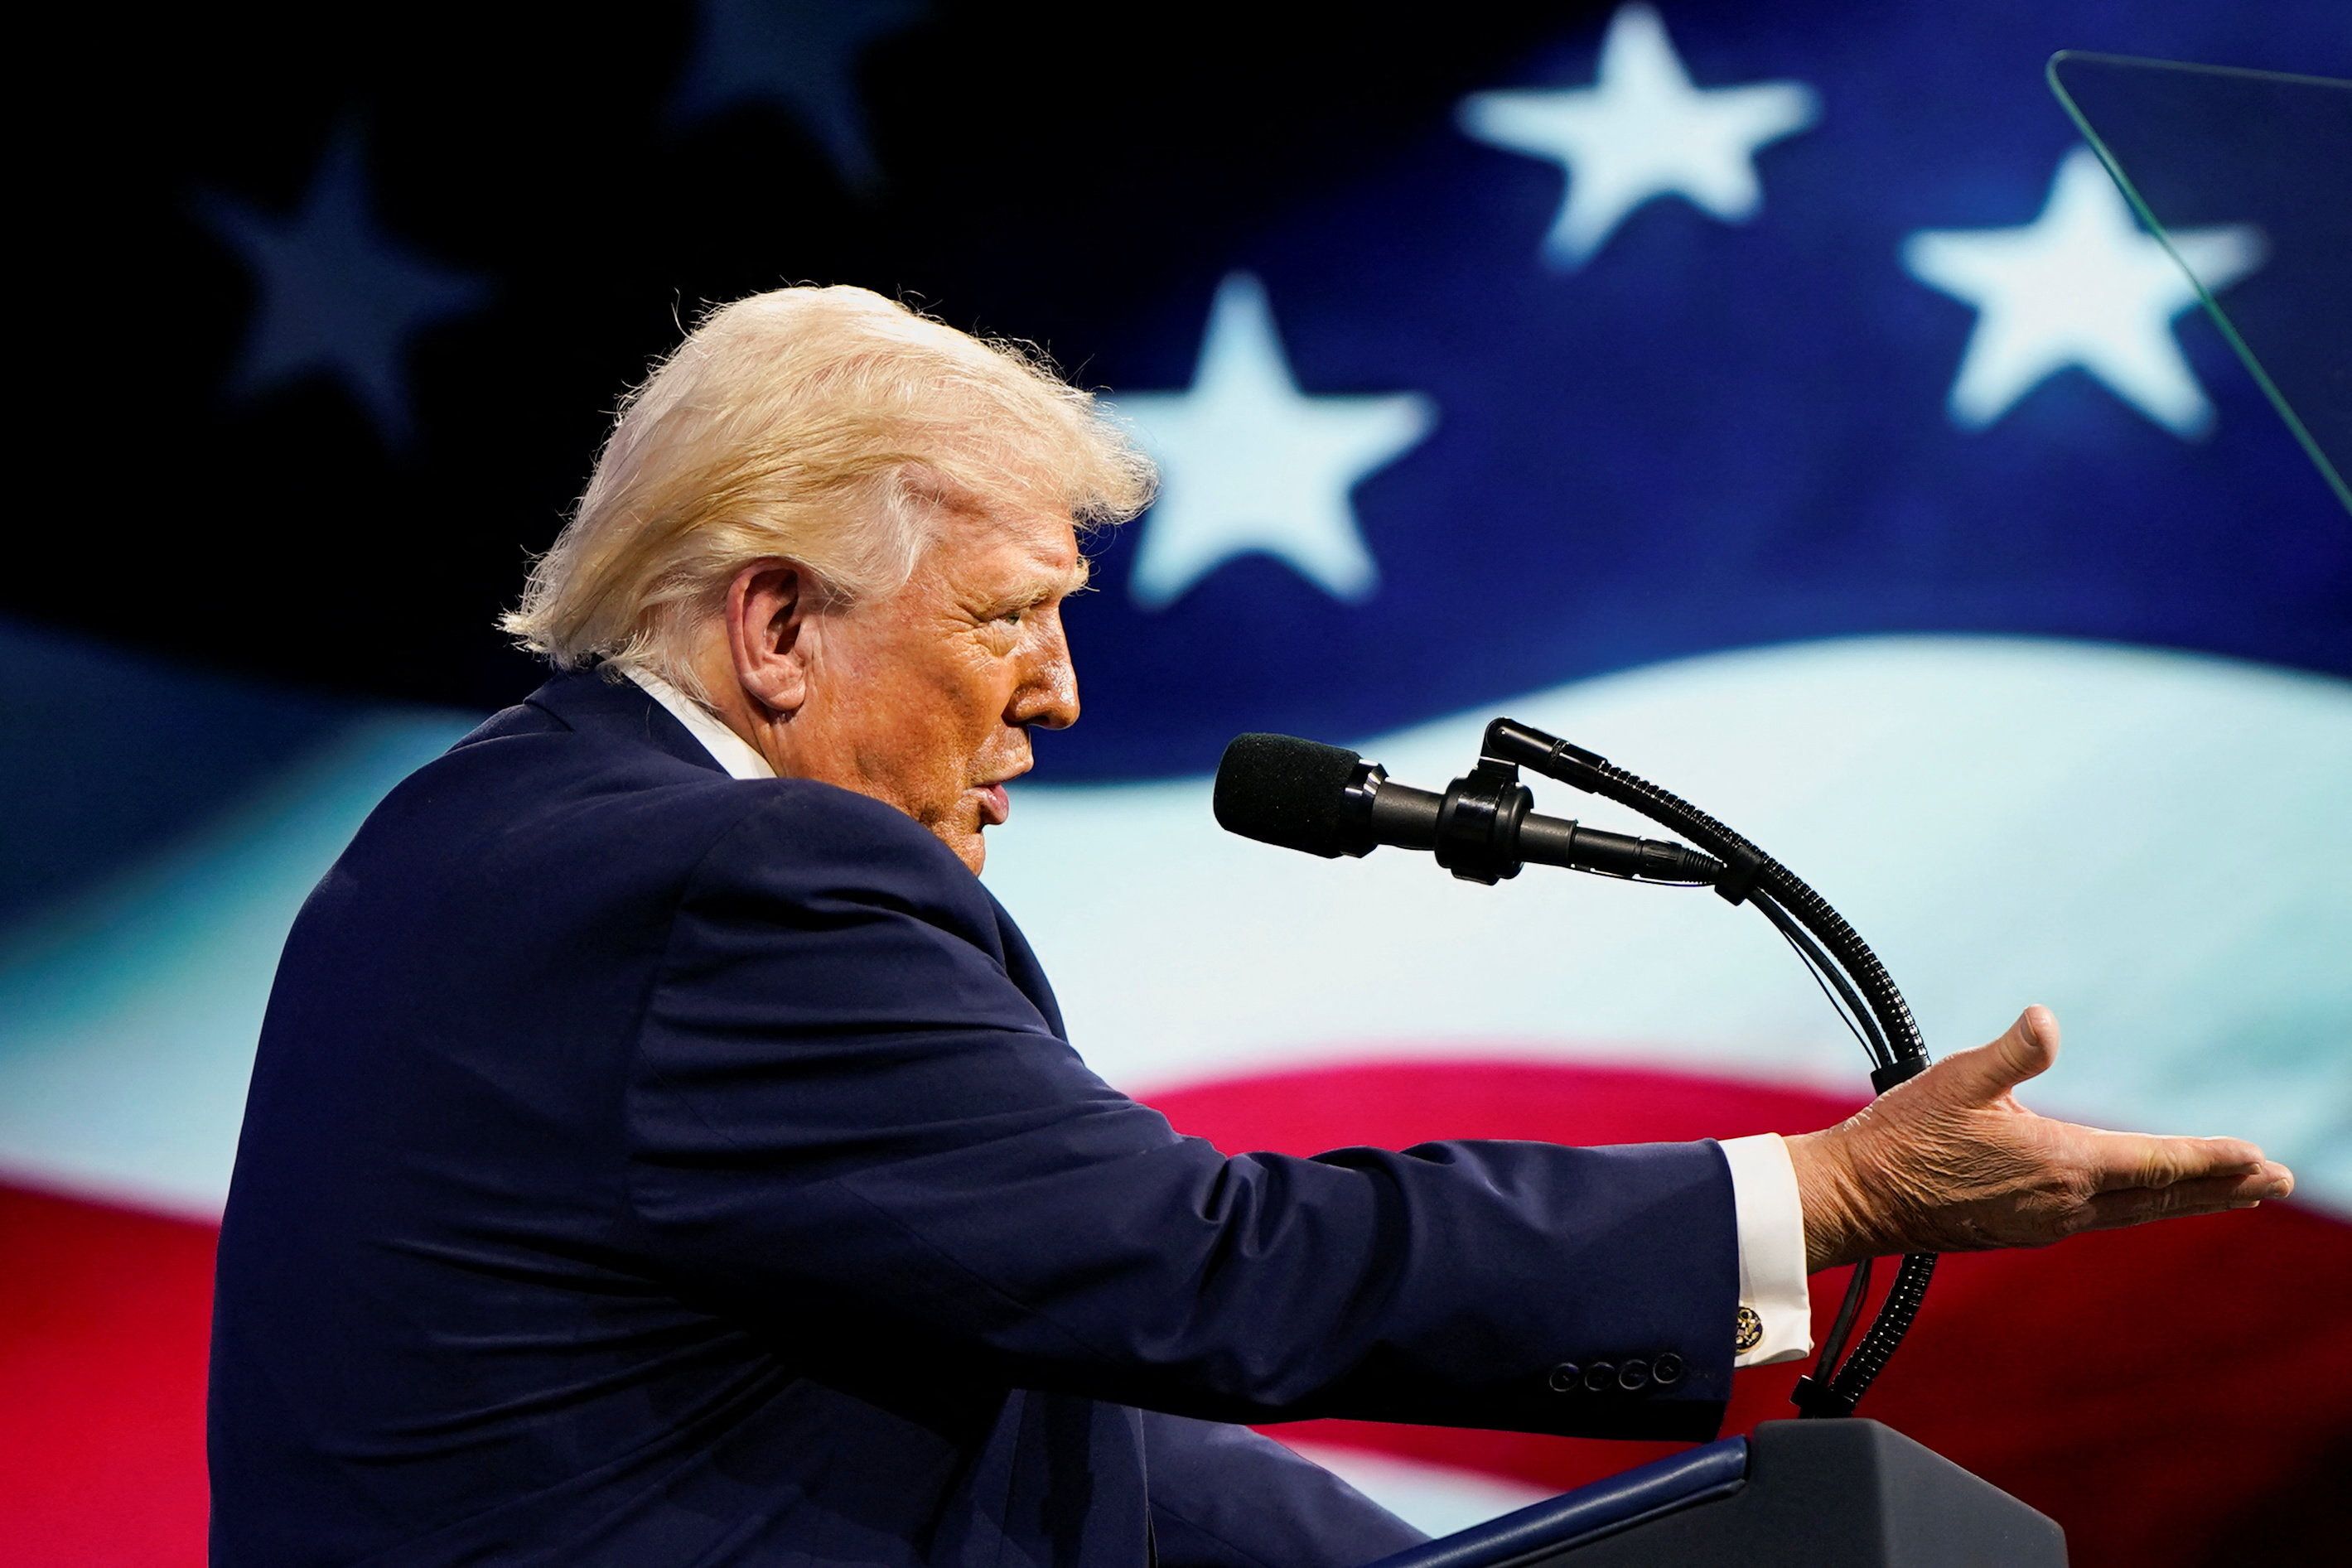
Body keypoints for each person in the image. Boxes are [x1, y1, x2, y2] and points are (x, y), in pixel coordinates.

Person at [206, 286, 2293, 1567]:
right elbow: (1195, 1271)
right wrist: (1817, 1191)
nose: (1059, 691)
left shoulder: (491, 842)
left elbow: (1064, 1439)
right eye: (1010, 613)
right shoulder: (715, 879)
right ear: (776, 625)